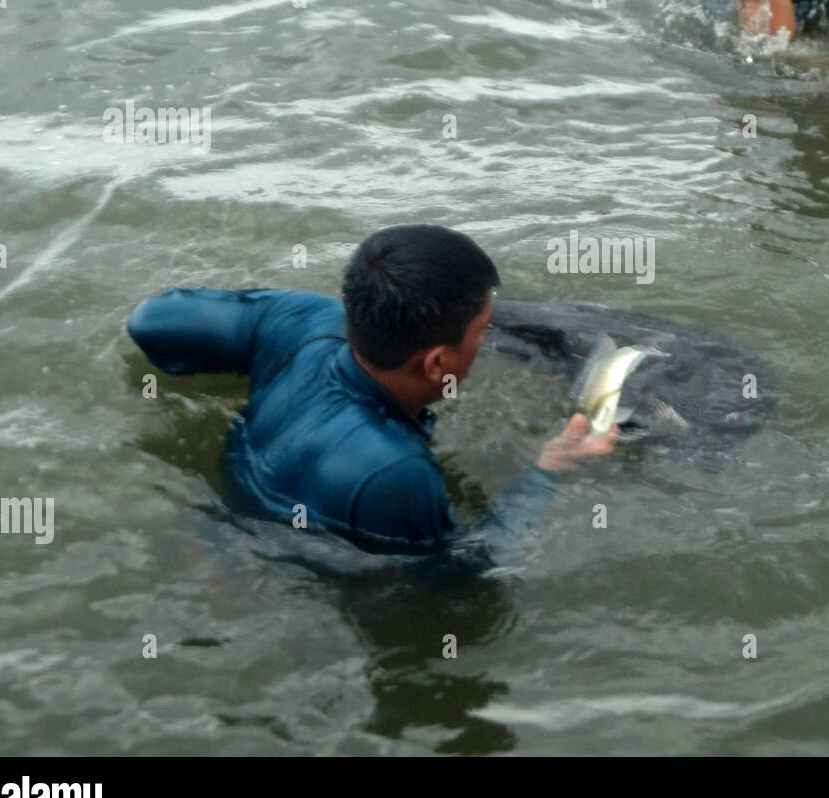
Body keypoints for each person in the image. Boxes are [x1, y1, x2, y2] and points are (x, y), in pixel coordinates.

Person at [126, 225, 616, 567]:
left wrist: (268, 366)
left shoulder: (304, 322)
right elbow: (460, 579)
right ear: (436, 364)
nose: (486, 344)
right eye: (481, 332)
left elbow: (150, 322)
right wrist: (549, 470)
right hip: (278, 566)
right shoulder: (397, 472)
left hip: (226, 503)